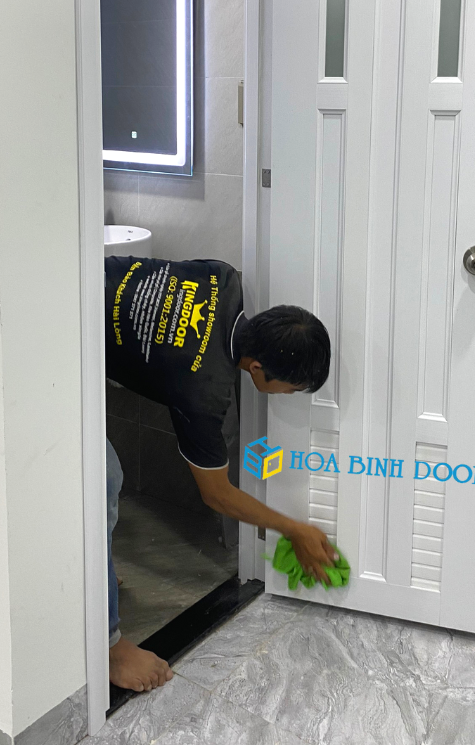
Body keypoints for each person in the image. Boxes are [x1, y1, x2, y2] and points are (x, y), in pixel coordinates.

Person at [104, 254, 334, 693]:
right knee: (103, 480)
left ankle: (92, 568)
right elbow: (217, 494)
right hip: (53, 338)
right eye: (290, 390)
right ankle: (109, 645)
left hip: (84, 278)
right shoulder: (202, 389)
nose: (287, 396)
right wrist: (294, 529)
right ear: (258, 370)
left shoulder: (222, 277)